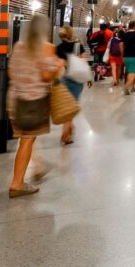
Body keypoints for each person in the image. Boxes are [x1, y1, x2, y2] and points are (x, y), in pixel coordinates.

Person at [8, 18, 62, 197]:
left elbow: (11, 72)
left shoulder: (18, 46)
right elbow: (47, 76)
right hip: (33, 101)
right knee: (27, 140)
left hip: (15, 99)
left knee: (25, 139)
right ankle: (17, 183)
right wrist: (58, 67)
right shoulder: (47, 48)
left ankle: (34, 168)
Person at [55, 26, 92, 145]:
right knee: (72, 105)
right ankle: (67, 130)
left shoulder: (58, 48)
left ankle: (67, 129)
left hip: (63, 78)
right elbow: (83, 62)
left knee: (67, 105)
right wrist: (89, 77)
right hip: (77, 79)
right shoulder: (78, 46)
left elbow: (58, 65)